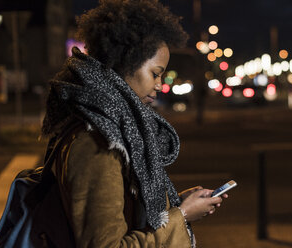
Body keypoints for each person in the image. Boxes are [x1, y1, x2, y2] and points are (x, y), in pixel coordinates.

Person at [42, 0, 227, 247]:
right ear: (126, 63)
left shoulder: (110, 126)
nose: (160, 85)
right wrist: (181, 216)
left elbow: (123, 208)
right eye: (155, 73)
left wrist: (178, 203)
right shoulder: (99, 141)